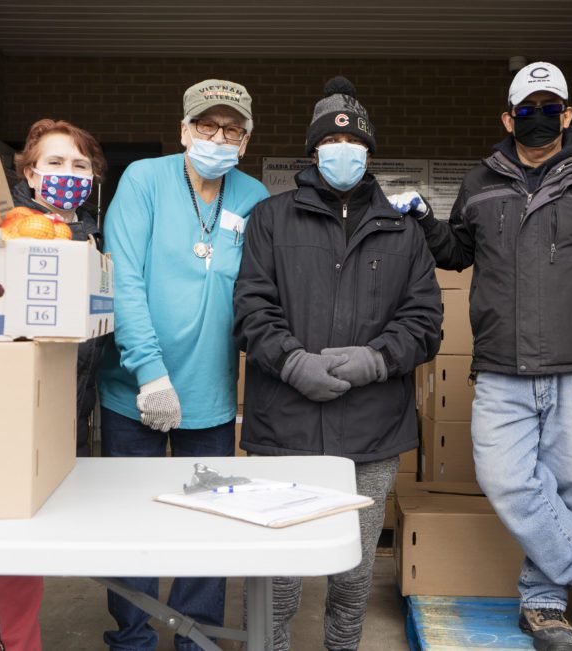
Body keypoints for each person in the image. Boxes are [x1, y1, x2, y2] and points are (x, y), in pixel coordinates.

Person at [390, 62, 572, 651]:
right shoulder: (480, 183)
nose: (539, 118)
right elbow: (459, 252)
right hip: (502, 366)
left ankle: (543, 608)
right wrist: (424, 222)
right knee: (507, 479)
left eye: (550, 108)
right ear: (508, 118)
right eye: (527, 109)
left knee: (568, 490)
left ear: (567, 114)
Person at [233, 76, 442, 651]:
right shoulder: (271, 219)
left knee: (352, 572)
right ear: (313, 151)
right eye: (330, 142)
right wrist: (291, 360)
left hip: (371, 430)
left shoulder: (402, 228)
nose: (342, 151)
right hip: (284, 428)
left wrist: (377, 359)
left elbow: (425, 319)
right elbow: (252, 307)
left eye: (353, 143)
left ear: (369, 152)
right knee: (277, 575)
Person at [96, 80, 269, 651]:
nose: (218, 138)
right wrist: (148, 371)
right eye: (206, 127)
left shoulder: (252, 196)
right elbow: (125, 277)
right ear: (183, 130)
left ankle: (198, 637)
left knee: (207, 527)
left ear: (245, 140)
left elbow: (259, 290)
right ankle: (135, 638)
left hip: (211, 395)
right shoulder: (145, 179)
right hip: (134, 391)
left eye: (231, 130)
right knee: (135, 524)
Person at [0, 118, 108, 651]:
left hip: (67, 411)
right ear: (29, 172)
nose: (67, 174)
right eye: (54, 163)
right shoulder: (7, 229)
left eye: (80, 166)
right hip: (15, 417)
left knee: (33, 546)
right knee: (8, 555)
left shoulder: (87, 234)